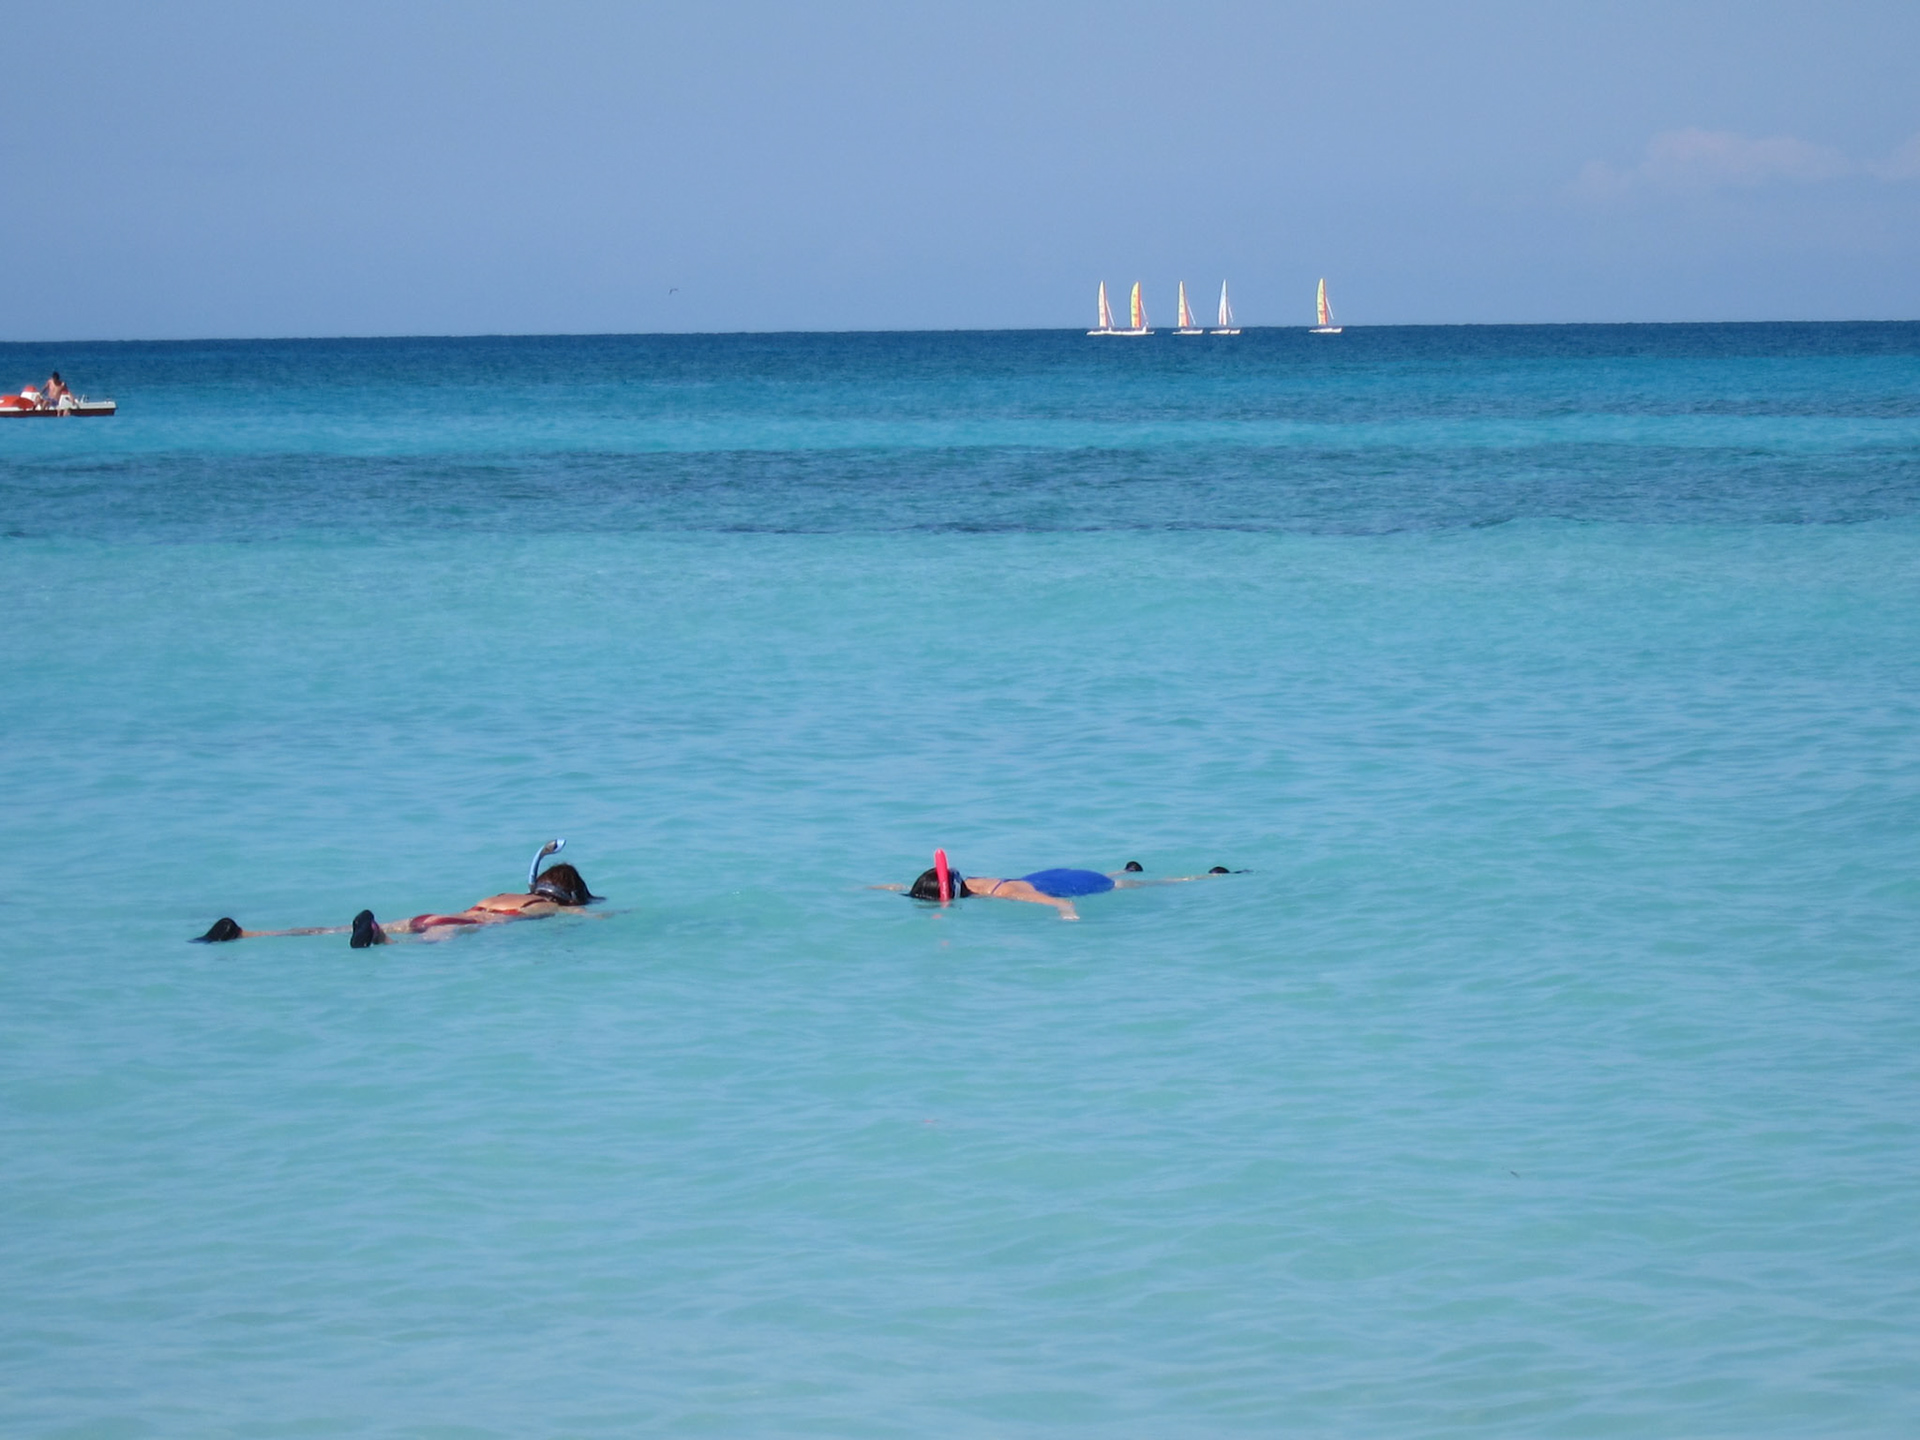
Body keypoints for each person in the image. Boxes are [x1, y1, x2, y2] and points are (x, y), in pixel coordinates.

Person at [191, 839, 603, 948]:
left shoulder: (507, 894)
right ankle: (380, 941)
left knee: (329, 930)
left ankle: (246, 934)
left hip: (436, 913)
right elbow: (586, 917)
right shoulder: (549, 907)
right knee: (420, 948)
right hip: (454, 925)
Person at [881, 854, 1237, 920]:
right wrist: (881, 888)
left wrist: (1066, 912)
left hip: (1062, 886)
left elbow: (1044, 900)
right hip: (1047, 873)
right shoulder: (966, 880)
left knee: (1129, 886)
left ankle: (1208, 876)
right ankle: (1126, 867)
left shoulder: (1003, 892)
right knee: (1118, 877)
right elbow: (913, 887)